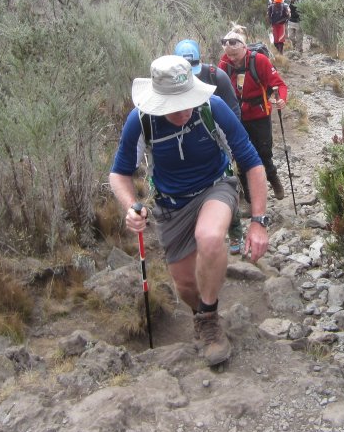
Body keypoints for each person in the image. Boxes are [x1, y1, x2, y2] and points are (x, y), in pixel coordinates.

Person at [109, 55, 270, 366]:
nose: (184, 110)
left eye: (187, 101)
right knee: (185, 284)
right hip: (171, 204)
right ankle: (203, 315)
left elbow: (251, 161)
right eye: (174, 104)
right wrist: (131, 207)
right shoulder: (141, 121)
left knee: (209, 237)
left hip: (215, 186)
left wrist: (258, 222)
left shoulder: (212, 108)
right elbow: (119, 173)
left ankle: (209, 323)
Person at [174, 38, 245, 253]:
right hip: (185, 142)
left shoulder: (216, 76)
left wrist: (232, 144)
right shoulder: (171, 82)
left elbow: (234, 110)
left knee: (225, 183)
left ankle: (235, 233)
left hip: (218, 139)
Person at [218, 26, 288, 201]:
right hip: (236, 117)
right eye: (229, 55)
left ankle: (274, 179)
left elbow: (278, 85)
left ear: (244, 48)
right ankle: (250, 198)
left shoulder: (260, 61)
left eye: (235, 55)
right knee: (241, 156)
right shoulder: (224, 64)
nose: (232, 59)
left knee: (264, 153)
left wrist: (281, 99)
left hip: (260, 114)